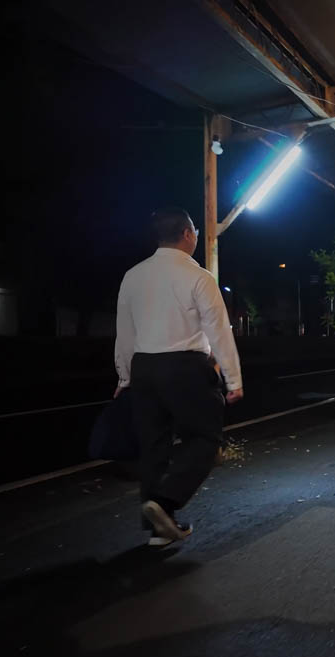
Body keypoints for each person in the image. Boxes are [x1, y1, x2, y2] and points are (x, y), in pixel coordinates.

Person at [114, 207, 243, 547]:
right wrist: (233, 379)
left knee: (153, 447)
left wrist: (124, 376)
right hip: (186, 368)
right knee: (205, 440)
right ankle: (165, 501)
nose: (197, 235)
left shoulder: (133, 276)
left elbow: (125, 332)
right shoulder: (198, 277)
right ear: (187, 234)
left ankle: (160, 529)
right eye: (195, 230)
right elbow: (219, 331)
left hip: (144, 368)